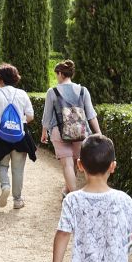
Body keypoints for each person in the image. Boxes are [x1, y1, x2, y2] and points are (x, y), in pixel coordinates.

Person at [0, 62, 38, 210]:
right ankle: (17, 200)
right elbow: (30, 116)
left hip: (1, 136)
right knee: (18, 170)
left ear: (0, 78)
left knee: (1, 163)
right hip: (20, 136)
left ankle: (5, 185)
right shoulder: (22, 94)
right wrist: (18, 121)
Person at [41, 60, 101, 196]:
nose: (57, 78)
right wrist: (99, 133)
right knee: (75, 162)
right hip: (80, 131)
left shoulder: (52, 92)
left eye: (57, 74)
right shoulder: (83, 90)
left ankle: (73, 196)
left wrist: (44, 132)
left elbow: (47, 115)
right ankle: (68, 191)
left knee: (67, 164)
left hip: (60, 131)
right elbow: (91, 115)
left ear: (61, 74)